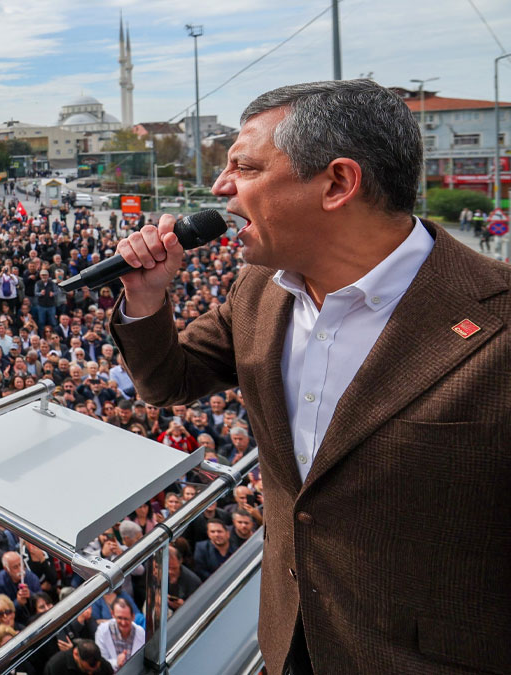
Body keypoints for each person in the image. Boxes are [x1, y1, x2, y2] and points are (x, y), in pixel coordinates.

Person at [109, 78, 511, 673]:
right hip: (288, 638)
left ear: (338, 183)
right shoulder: (259, 291)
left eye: (245, 167)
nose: (220, 188)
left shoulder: (497, 321)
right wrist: (145, 297)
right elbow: (170, 382)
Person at [93, 599, 143, 672]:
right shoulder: (102, 631)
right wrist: (116, 662)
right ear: (112, 614)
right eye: (119, 618)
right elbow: (101, 662)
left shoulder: (141, 633)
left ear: (133, 617)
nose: (123, 623)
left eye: (126, 619)